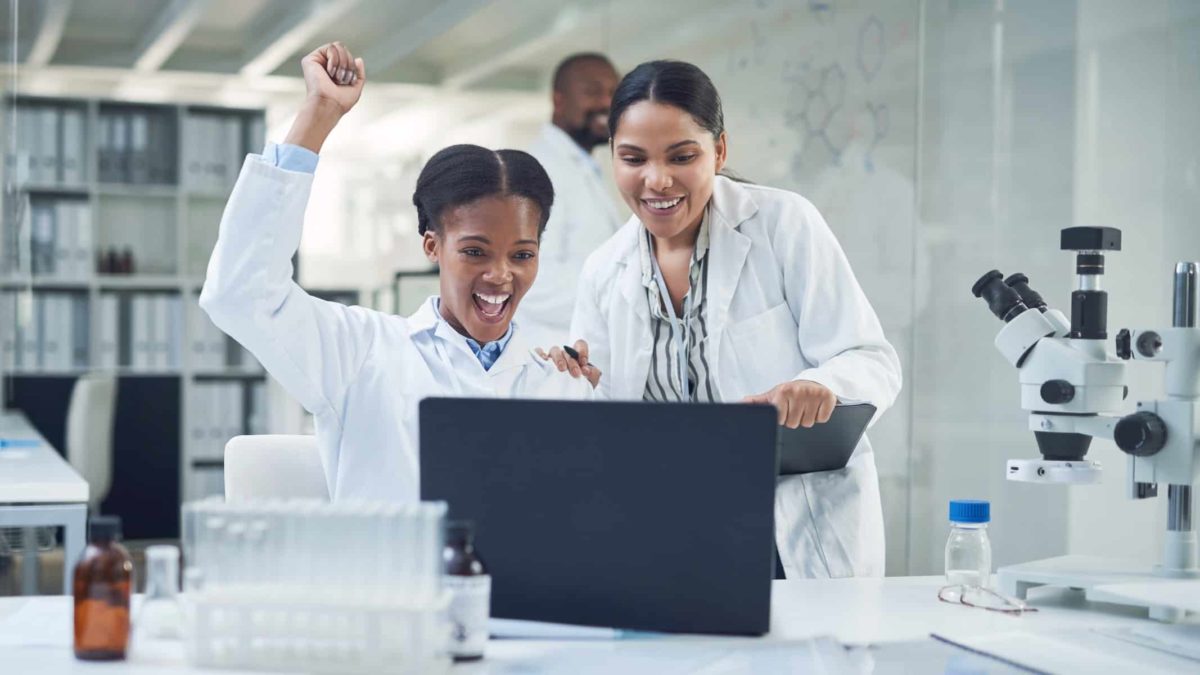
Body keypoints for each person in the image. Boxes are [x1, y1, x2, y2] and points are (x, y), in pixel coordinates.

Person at [547, 60, 902, 578]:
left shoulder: (782, 224)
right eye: (633, 158)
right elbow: (605, 423)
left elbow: (872, 359)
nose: (656, 180)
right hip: (663, 533)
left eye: (682, 156)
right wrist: (572, 386)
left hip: (788, 534)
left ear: (719, 151)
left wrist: (820, 385)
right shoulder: (604, 270)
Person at [200, 42, 593, 502]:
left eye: (522, 255)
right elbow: (240, 294)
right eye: (475, 252)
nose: (500, 275)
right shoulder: (361, 351)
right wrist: (319, 114)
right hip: (388, 574)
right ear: (433, 245)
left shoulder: (557, 379)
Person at [516, 53, 623, 347]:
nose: (605, 103)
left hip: (583, 353)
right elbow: (533, 280)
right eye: (592, 92)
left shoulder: (585, 167)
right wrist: (625, 296)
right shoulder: (542, 169)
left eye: (613, 93)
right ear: (559, 100)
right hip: (554, 356)